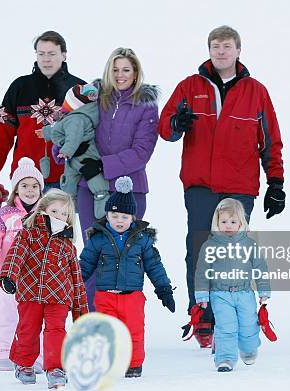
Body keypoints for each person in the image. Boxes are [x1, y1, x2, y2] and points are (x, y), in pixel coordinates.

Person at [158, 25, 285, 347]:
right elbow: (165, 129)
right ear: (209, 50)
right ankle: (203, 316)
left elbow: (270, 141)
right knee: (199, 252)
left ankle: (235, 316)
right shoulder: (190, 86)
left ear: (238, 50)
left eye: (227, 46)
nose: (221, 51)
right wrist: (177, 124)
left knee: (235, 255)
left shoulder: (256, 91)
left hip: (240, 187)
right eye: (216, 46)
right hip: (200, 186)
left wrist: (276, 182)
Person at [76, 47, 159, 311]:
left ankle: (123, 323)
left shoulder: (145, 105)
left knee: (123, 257)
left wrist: (103, 164)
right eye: (115, 69)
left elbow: (141, 152)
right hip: (90, 187)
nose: (120, 75)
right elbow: (77, 128)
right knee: (93, 254)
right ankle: (89, 320)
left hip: (129, 190)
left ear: (135, 73)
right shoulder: (94, 99)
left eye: (126, 69)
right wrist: (69, 151)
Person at [79, 177, 175, 378]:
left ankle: (133, 365)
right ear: (107, 215)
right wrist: (73, 286)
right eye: (115, 215)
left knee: (134, 332)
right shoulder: (98, 238)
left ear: (133, 217)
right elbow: (85, 266)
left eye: (124, 216)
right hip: (105, 296)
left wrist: (164, 289)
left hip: (132, 297)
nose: (119, 221)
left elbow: (154, 266)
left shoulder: (142, 239)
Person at [0, 30, 85, 214]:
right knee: (21, 238)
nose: (46, 59)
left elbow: (93, 136)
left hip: (67, 179)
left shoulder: (79, 90)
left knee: (60, 239)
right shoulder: (20, 87)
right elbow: (1, 135)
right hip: (25, 178)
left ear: (64, 55)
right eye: (41, 54)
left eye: (52, 54)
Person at [0, 189, 88, 388]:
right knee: (28, 329)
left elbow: (76, 280)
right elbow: (16, 255)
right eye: (55, 211)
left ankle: (55, 368)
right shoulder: (28, 234)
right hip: (31, 293)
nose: (59, 216)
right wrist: (9, 276)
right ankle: (24, 364)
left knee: (56, 330)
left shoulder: (67, 246)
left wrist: (80, 312)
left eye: (64, 214)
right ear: (43, 210)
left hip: (59, 297)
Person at [0, 157, 45, 372]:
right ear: (16, 190)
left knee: (36, 317)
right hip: (10, 276)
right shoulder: (5, 214)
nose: (30, 190)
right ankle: (3, 351)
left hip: (39, 277)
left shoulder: (47, 214)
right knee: (6, 313)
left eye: (35, 186)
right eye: (25, 186)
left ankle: (36, 356)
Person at [194, 198, 270, 372]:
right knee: (225, 327)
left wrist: (263, 290)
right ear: (217, 222)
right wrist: (202, 294)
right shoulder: (210, 246)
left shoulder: (250, 245)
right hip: (220, 294)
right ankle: (225, 358)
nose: (228, 225)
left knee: (249, 325)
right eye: (224, 221)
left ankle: (249, 348)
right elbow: (202, 271)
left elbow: (260, 268)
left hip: (245, 293)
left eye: (233, 221)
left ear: (241, 222)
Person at [42, 83, 110, 218]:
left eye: (67, 102)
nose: (64, 105)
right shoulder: (72, 117)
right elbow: (61, 130)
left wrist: (66, 151)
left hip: (85, 154)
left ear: (74, 104)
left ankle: (101, 196)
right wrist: (47, 132)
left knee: (92, 174)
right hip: (73, 158)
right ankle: (71, 203)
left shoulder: (77, 119)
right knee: (69, 180)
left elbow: (73, 137)